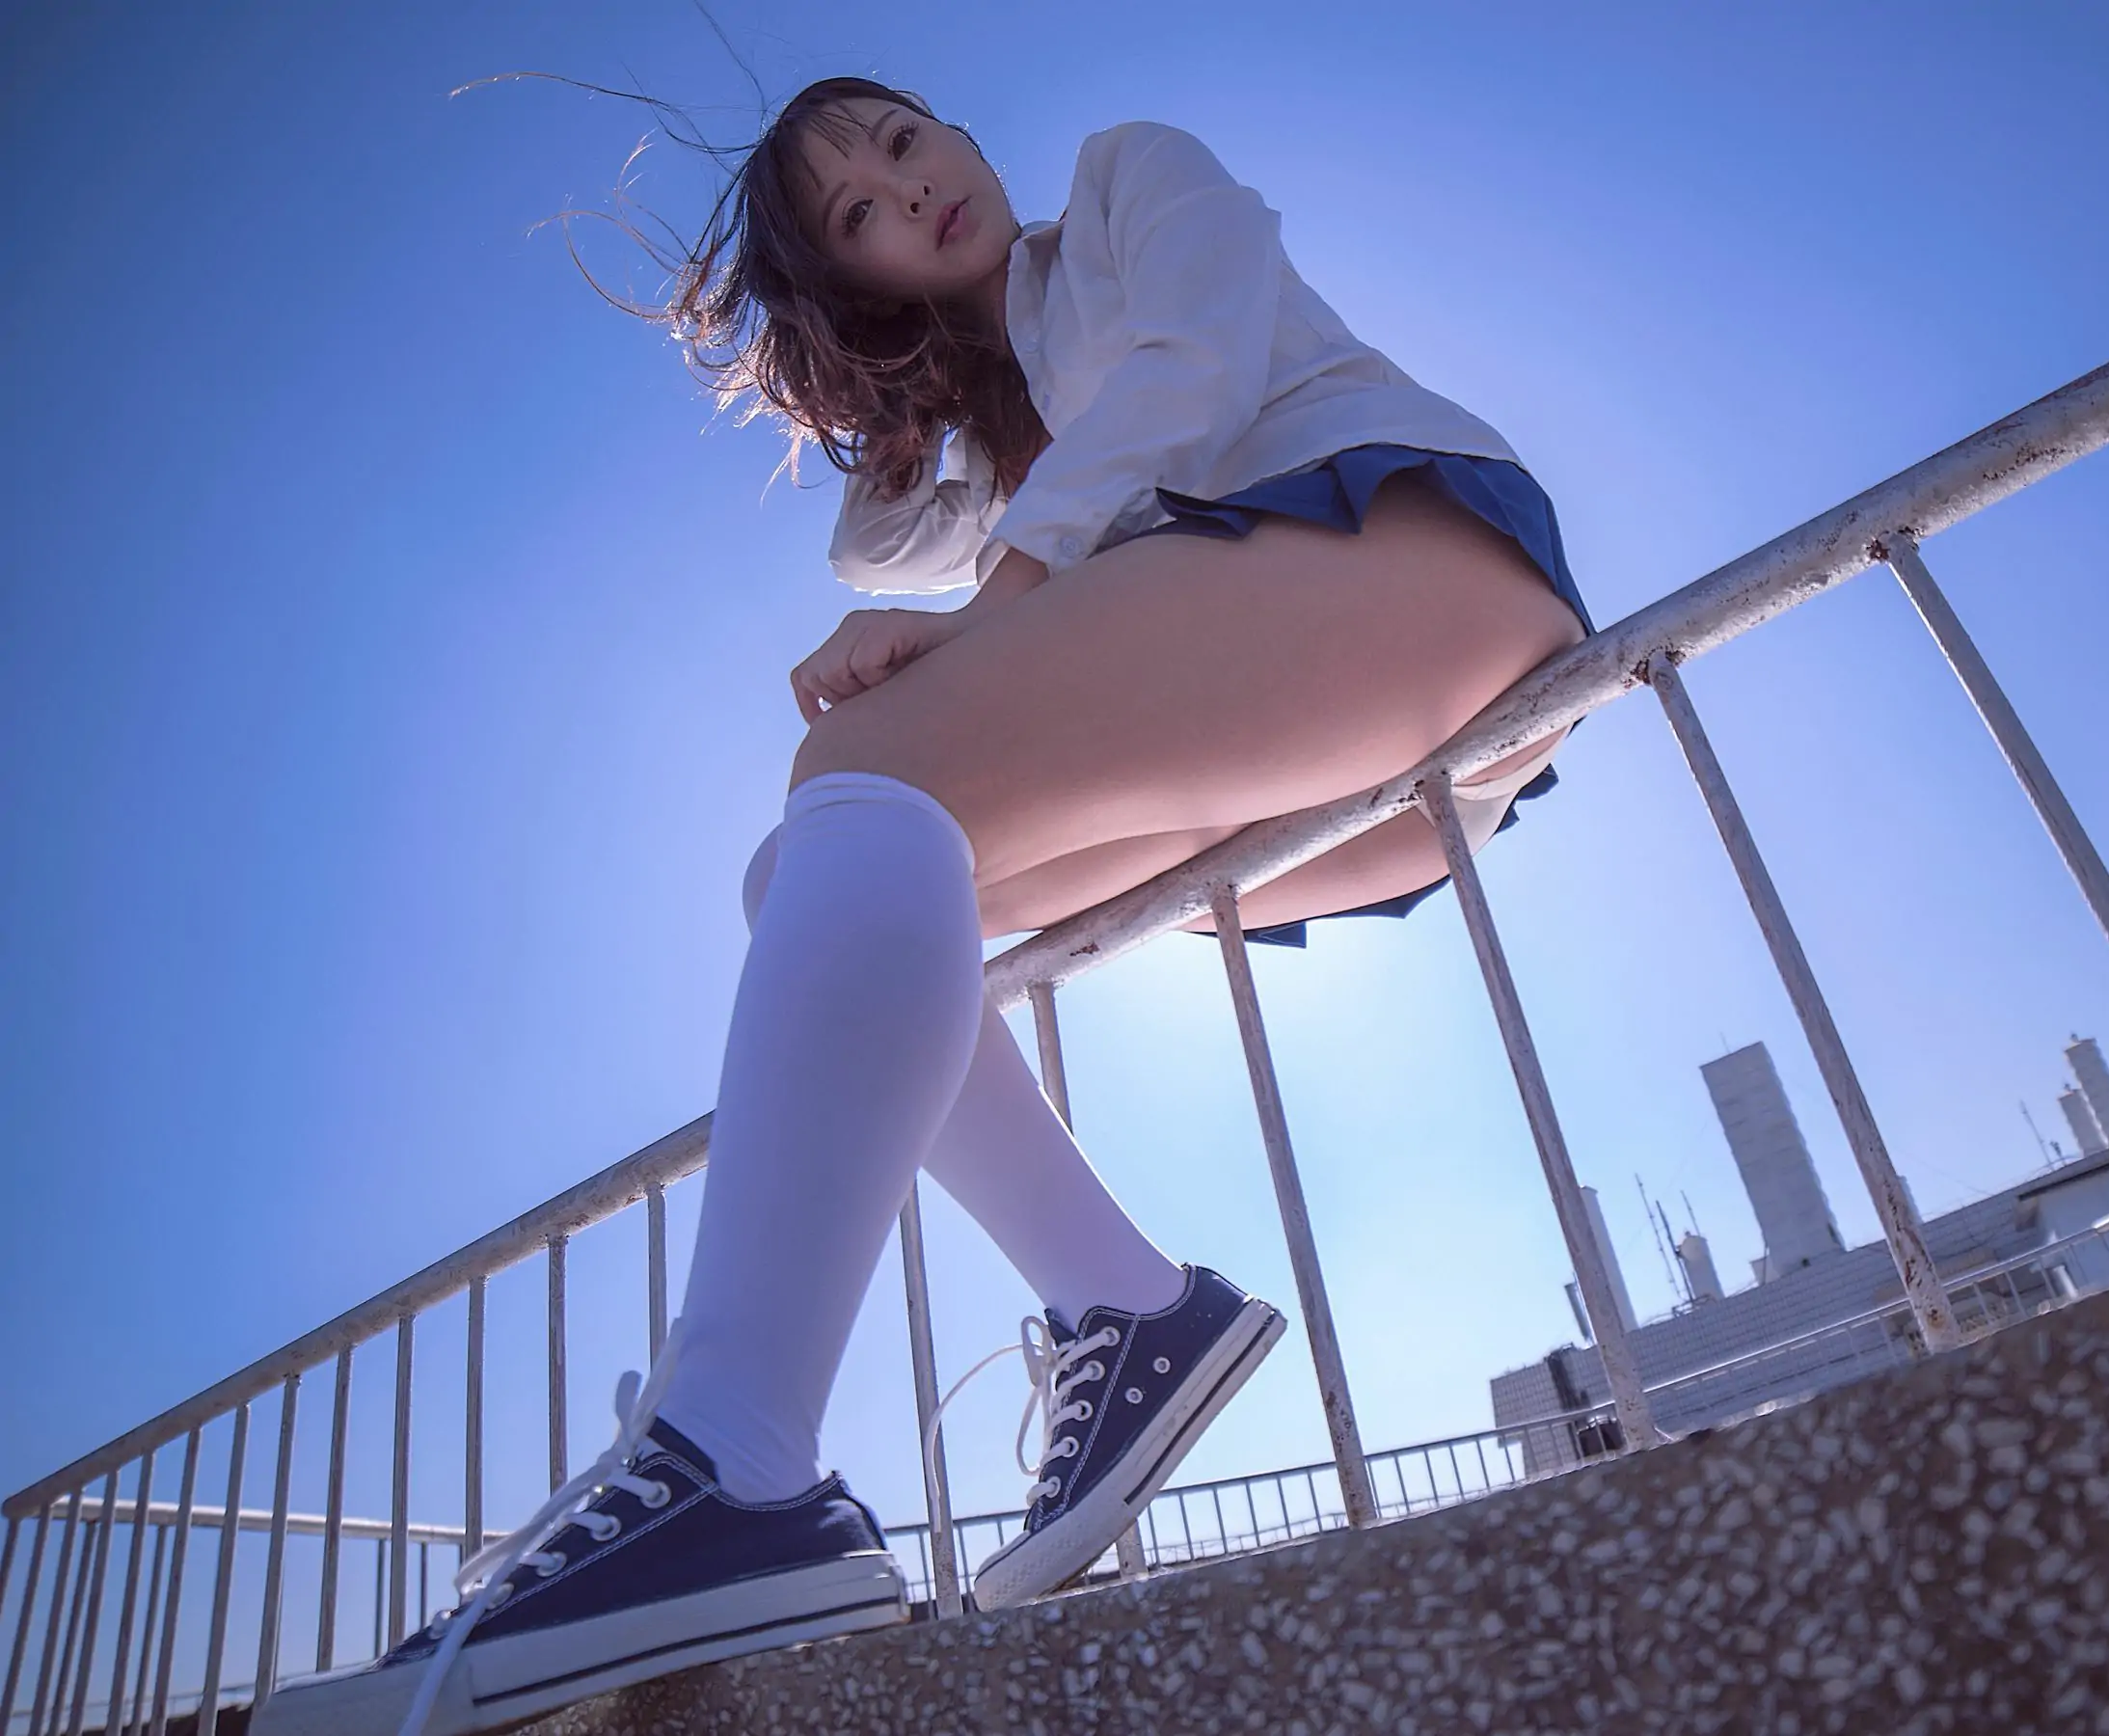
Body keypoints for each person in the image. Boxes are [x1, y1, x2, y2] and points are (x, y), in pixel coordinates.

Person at [257, 74, 1593, 1736]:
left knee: (857, 779)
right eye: (859, 219)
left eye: (903, 145)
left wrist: (996, 600)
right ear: (859, 283)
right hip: (1316, 762)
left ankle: (735, 1457)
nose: (908, 194)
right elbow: (872, 539)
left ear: (956, 132)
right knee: (814, 871)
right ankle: (1131, 1308)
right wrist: (903, 381)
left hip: (1410, 560)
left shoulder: (1124, 181)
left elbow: (1194, 363)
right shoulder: (987, 438)